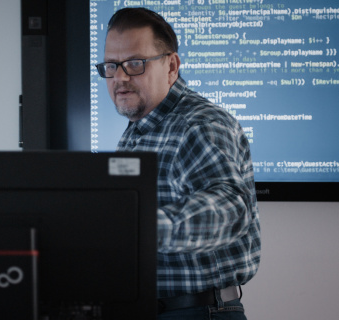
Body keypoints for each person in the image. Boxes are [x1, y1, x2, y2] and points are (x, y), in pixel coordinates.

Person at [96, 8, 260, 319]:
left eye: (134, 64)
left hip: (195, 312)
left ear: (171, 66)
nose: (120, 77)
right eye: (111, 66)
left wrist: (138, 226)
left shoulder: (197, 124)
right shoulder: (142, 127)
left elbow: (230, 208)